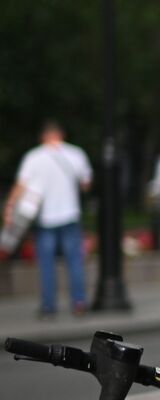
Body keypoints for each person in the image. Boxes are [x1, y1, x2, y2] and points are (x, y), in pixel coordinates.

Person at [4, 121, 92, 318]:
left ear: (44, 136)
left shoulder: (34, 157)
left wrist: (10, 208)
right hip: (70, 215)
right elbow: (86, 183)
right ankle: (79, 303)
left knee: (46, 264)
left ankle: (48, 306)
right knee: (75, 261)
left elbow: (21, 186)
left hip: (45, 218)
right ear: (61, 134)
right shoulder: (75, 154)